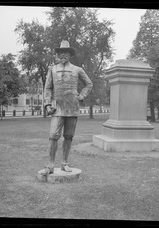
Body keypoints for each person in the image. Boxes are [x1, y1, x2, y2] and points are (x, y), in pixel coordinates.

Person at [43, 40, 93, 174]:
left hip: (72, 108)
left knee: (69, 136)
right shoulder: (52, 69)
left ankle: (65, 163)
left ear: (70, 54)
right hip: (57, 108)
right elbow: (47, 88)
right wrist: (48, 104)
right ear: (58, 54)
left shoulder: (77, 69)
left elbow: (89, 84)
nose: (62, 55)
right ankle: (50, 165)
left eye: (65, 52)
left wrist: (82, 96)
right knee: (53, 135)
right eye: (60, 52)